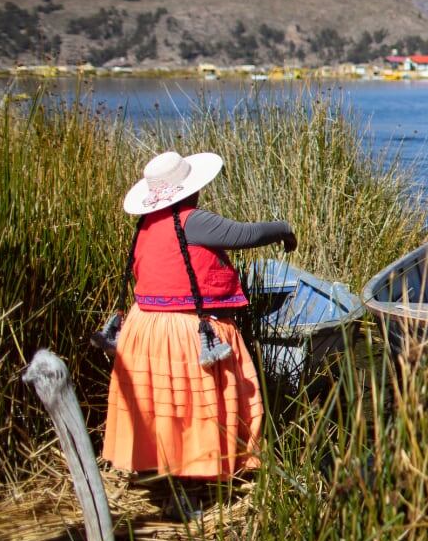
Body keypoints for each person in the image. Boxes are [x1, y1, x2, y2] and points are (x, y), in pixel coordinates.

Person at [102, 150, 296, 496]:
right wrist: (283, 229)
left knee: (165, 406)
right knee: (198, 404)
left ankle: (161, 469)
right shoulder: (192, 220)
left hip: (143, 327)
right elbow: (243, 235)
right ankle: (194, 476)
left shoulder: (148, 223)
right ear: (189, 188)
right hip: (185, 331)